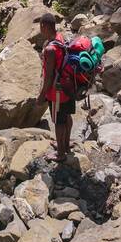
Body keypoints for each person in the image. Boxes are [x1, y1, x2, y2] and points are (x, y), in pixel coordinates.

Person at [35, 12, 75, 161]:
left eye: (40, 26)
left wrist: (41, 96)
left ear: (44, 26)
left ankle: (60, 153)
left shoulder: (50, 49)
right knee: (67, 115)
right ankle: (65, 144)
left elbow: (49, 77)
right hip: (68, 85)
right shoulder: (61, 38)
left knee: (58, 121)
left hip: (57, 92)